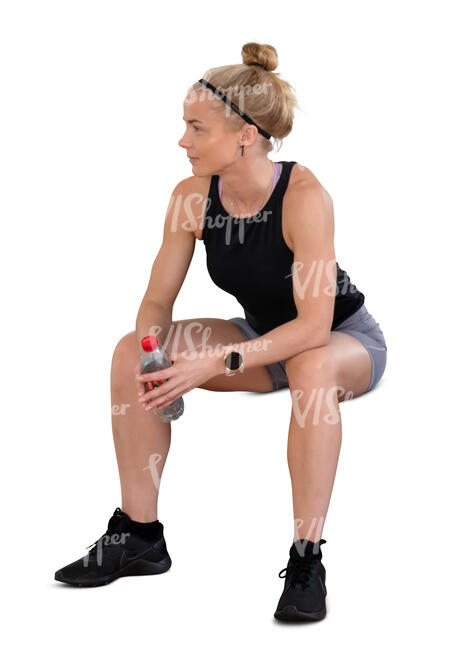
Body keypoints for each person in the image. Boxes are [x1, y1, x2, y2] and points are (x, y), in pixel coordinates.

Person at [54, 42, 387, 622]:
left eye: (195, 128)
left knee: (309, 365)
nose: (182, 141)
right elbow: (158, 299)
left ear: (246, 135)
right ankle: (139, 534)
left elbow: (312, 326)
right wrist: (156, 356)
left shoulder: (305, 197)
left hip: (340, 341)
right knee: (129, 351)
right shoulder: (191, 198)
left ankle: (307, 557)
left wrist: (215, 364)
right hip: (258, 337)